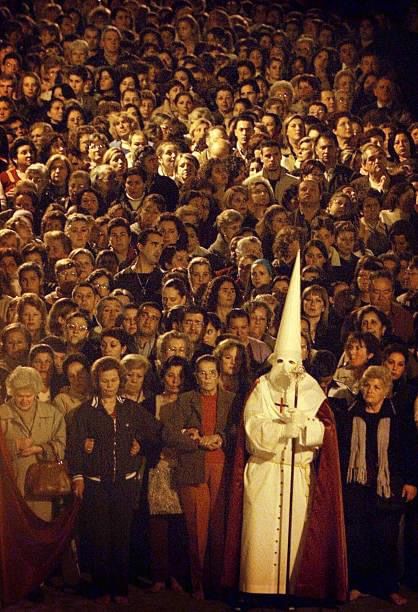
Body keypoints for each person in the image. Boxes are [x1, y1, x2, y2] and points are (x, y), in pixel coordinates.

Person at [223, 251, 347, 604]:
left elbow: (326, 434)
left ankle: (293, 591)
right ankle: (257, 595)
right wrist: (283, 431)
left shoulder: (311, 389)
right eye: (283, 360)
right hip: (265, 473)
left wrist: (304, 430)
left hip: (297, 474)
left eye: (295, 360)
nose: (289, 367)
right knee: (261, 541)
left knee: (294, 542)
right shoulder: (261, 388)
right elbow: (252, 430)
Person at [67, 356, 196, 605]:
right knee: (100, 537)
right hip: (96, 482)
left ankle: (120, 589)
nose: (110, 385)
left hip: (124, 482)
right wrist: (78, 477)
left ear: (120, 381)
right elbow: (74, 447)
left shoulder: (129, 408)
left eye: (114, 380)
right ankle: (103, 588)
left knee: (121, 536)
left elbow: (156, 430)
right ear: (97, 381)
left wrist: (190, 443)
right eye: (105, 381)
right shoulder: (85, 412)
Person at [337, 365, 418, 605]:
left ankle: (388, 587)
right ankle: (357, 585)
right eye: (367, 386)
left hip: (388, 489)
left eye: (376, 387)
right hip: (357, 489)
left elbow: (410, 451)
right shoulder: (352, 413)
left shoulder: (397, 416)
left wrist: (412, 482)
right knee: (358, 538)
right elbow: (342, 450)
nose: (370, 391)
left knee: (386, 540)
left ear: (386, 391)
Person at [171, 354, 236, 599]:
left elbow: (237, 430)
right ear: (196, 376)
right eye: (202, 372)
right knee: (197, 529)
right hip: (194, 468)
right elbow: (170, 433)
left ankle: (217, 583)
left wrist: (220, 437)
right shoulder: (185, 400)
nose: (207, 377)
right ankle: (197, 583)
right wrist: (194, 438)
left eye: (212, 372)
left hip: (221, 468)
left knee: (219, 529)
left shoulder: (231, 400)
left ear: (219, 375)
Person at [0, 366, 66, 520]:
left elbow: (61, 446)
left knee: (40, 526)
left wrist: (39, 449)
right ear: (12, 393)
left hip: (43, 488)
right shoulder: (3, 414)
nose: (24, 400)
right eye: (19, 396)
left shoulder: (52, 414)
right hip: (10, 486)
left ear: (36, 392)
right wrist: (15, 445)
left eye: (28, 395)